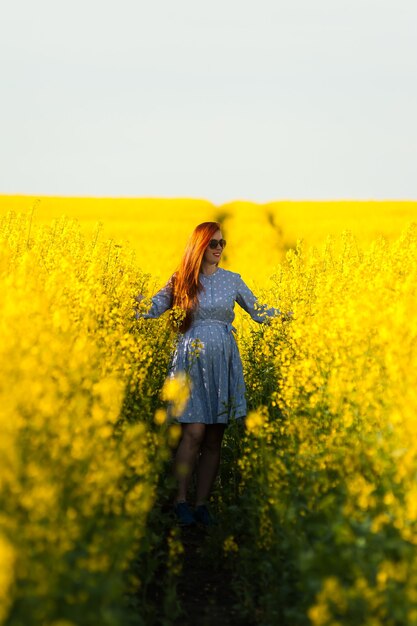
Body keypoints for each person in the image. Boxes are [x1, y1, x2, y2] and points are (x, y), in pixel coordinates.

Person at [136, 221, 284, 526]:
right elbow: (154, 306)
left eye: (222, 243)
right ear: (200, 247)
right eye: (213, 244)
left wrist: (292, 316)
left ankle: (202, 504)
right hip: (191, 361)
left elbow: (258, 311)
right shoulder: (182, 280)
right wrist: (127, 303)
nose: (219, 249)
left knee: (215, 436)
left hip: (223, 361)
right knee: (193, 432)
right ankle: (180, 501)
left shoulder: (232, 280)